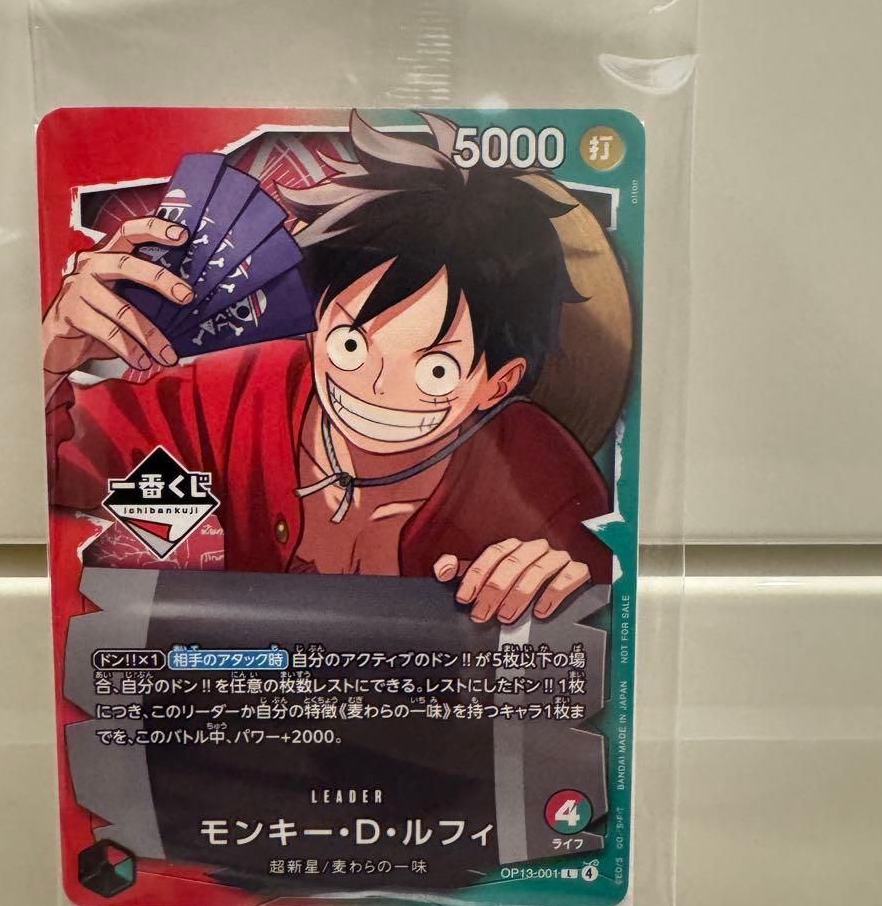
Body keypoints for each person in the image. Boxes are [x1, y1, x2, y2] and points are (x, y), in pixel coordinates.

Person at [42, 111, 611, 625]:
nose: (375, 387)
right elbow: (61, 469)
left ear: (497, 383)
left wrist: (561, 587)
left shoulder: (541, 477)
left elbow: (599, 626)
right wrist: (47, 364)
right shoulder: (234, 394)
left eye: (435, 372)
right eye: (351, 345)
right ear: (316, 322)